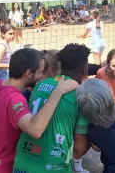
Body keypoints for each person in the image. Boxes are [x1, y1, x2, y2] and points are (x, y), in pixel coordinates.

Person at [0, 48, 78, 173]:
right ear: (28, 74)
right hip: (4, 167)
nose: (41, 77)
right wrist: (58, 91)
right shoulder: (15, 99)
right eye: (40, 72)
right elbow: (35, 130)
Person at [13, 44, 91, 173]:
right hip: (53, 167)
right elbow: (79, 150)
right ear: (84, 70)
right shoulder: (81, 94)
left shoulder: (41, 84)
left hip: (22, 163)